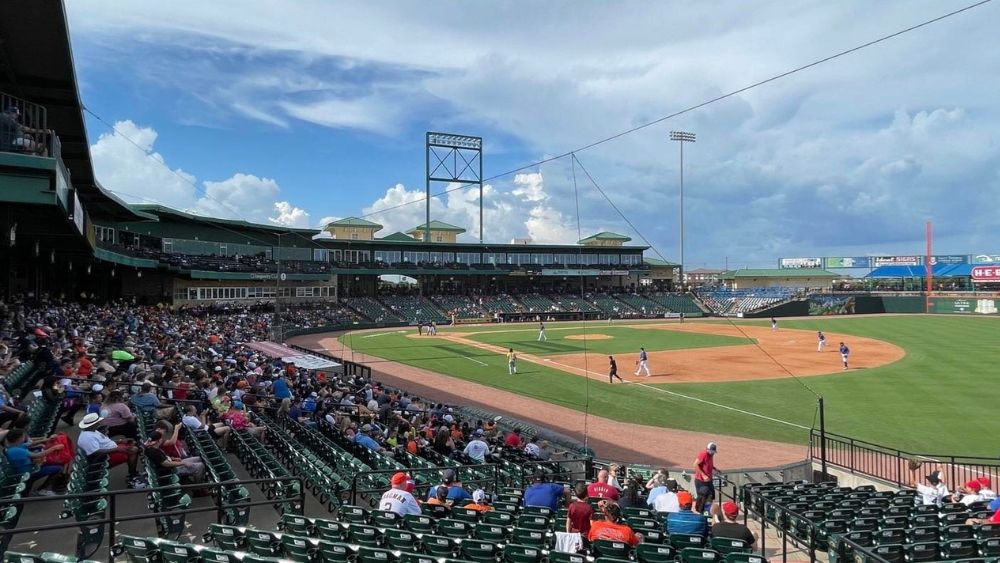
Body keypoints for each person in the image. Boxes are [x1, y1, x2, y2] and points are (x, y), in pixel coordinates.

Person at [77, 413, 141, 486]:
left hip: (112, 449)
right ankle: (132, 475)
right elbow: (96, 452)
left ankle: (133, 473)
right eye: (97, 422)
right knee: (133, 450)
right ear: (92, 424)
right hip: (104, 457)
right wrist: (117, 449)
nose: (99, 423)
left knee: (133, 443)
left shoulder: (92, 430)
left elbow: (105, 442)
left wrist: (119, 441)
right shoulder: (87, 437)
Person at [4, 428, 65, 496]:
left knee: (56, 464)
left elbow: (31, 444)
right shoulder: (15, 450)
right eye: (23, 437)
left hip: (31, 467)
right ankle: (43, 490)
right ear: (18, 438)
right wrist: (54, 448)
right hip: (28, 473)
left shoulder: (15, 446)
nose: (25, 438)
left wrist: (49, 439)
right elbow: (37, 455)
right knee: (58, 468)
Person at [694, 442, 718, 513]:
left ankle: (708, 510)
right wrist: (703, 475)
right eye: (711, 451)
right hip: (701, 481)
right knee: (702, 498)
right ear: (707, 449)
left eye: (713, 452)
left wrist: (714, 468)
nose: (712, 453)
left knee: (711, 495)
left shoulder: (711, 455)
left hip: (709, 480)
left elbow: (707, 464)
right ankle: (701, 512)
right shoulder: (703, 454)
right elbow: (695, 464)